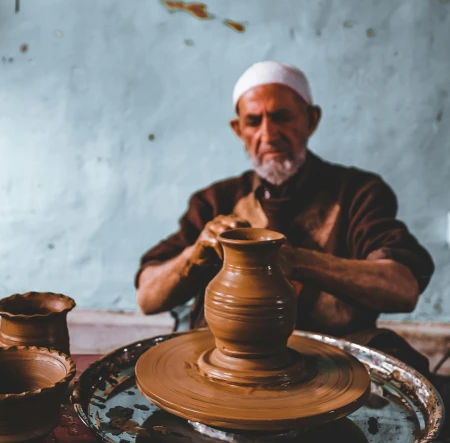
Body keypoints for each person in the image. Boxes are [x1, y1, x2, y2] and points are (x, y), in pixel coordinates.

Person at [135, 62, 434, 374]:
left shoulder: (357, 193)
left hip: (330, 356)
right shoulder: (215, 201)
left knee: (401, 371)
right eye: (253, 122)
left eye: (282, 117)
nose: (269, 134)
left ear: (311, 120)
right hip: (229, 360)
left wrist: (295, 262)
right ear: (238, 130)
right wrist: (195, 255)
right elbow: (147, 298)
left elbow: (403, 288)